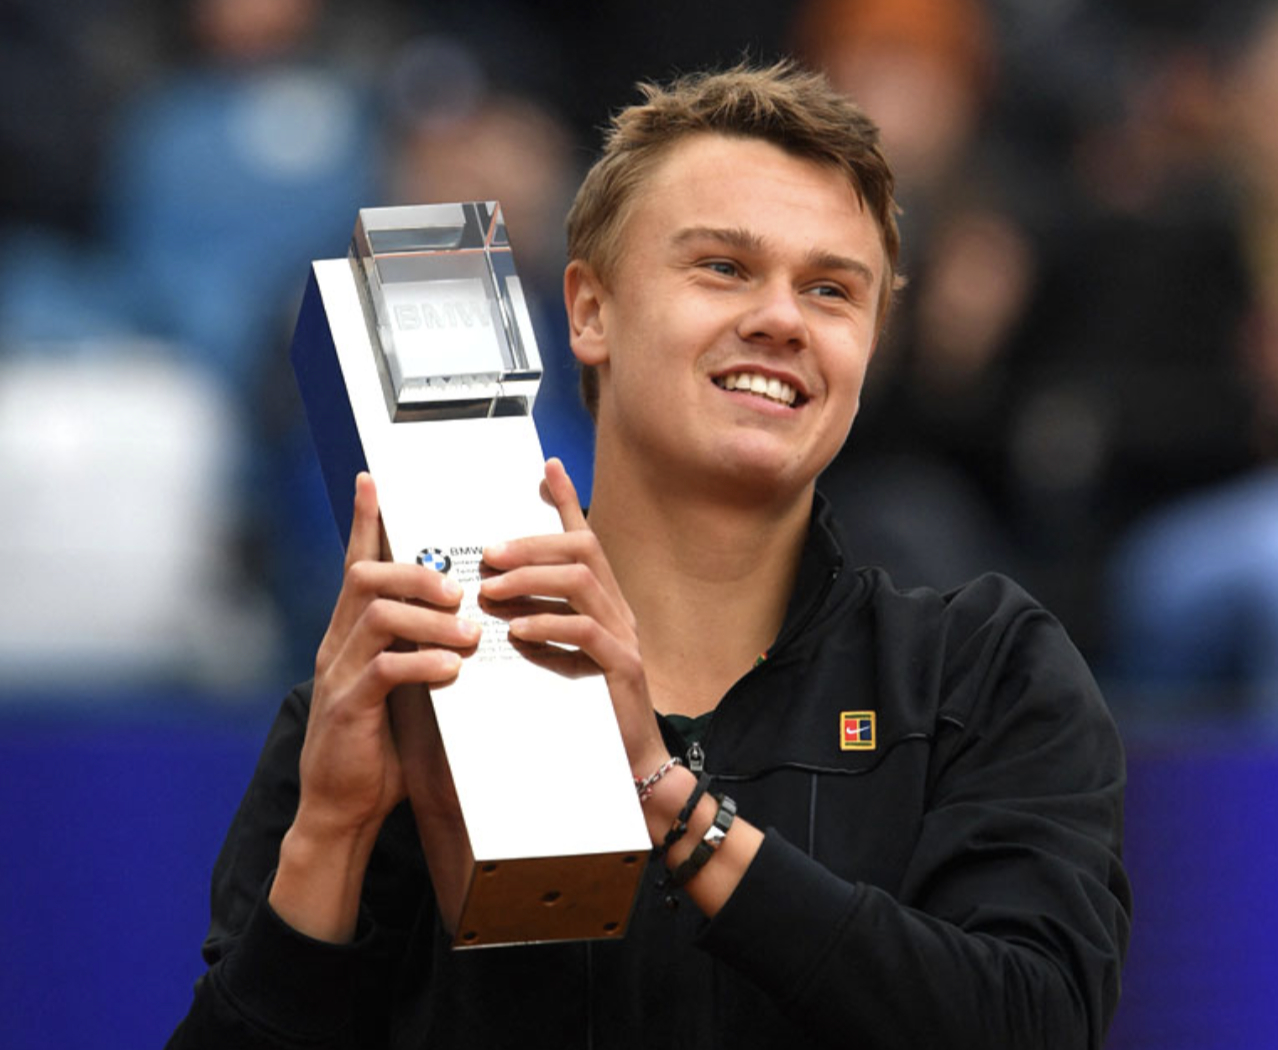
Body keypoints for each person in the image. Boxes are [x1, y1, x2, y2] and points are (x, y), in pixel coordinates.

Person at [166, 62, 1130, 1049]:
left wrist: (662, 792)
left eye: (831, 290)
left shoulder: (981, 672)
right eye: (722, 267)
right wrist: (329, 837)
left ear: (871, 346)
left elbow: (1039, 1025)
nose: (782, 318)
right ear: (589, 311)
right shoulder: (397, 687)